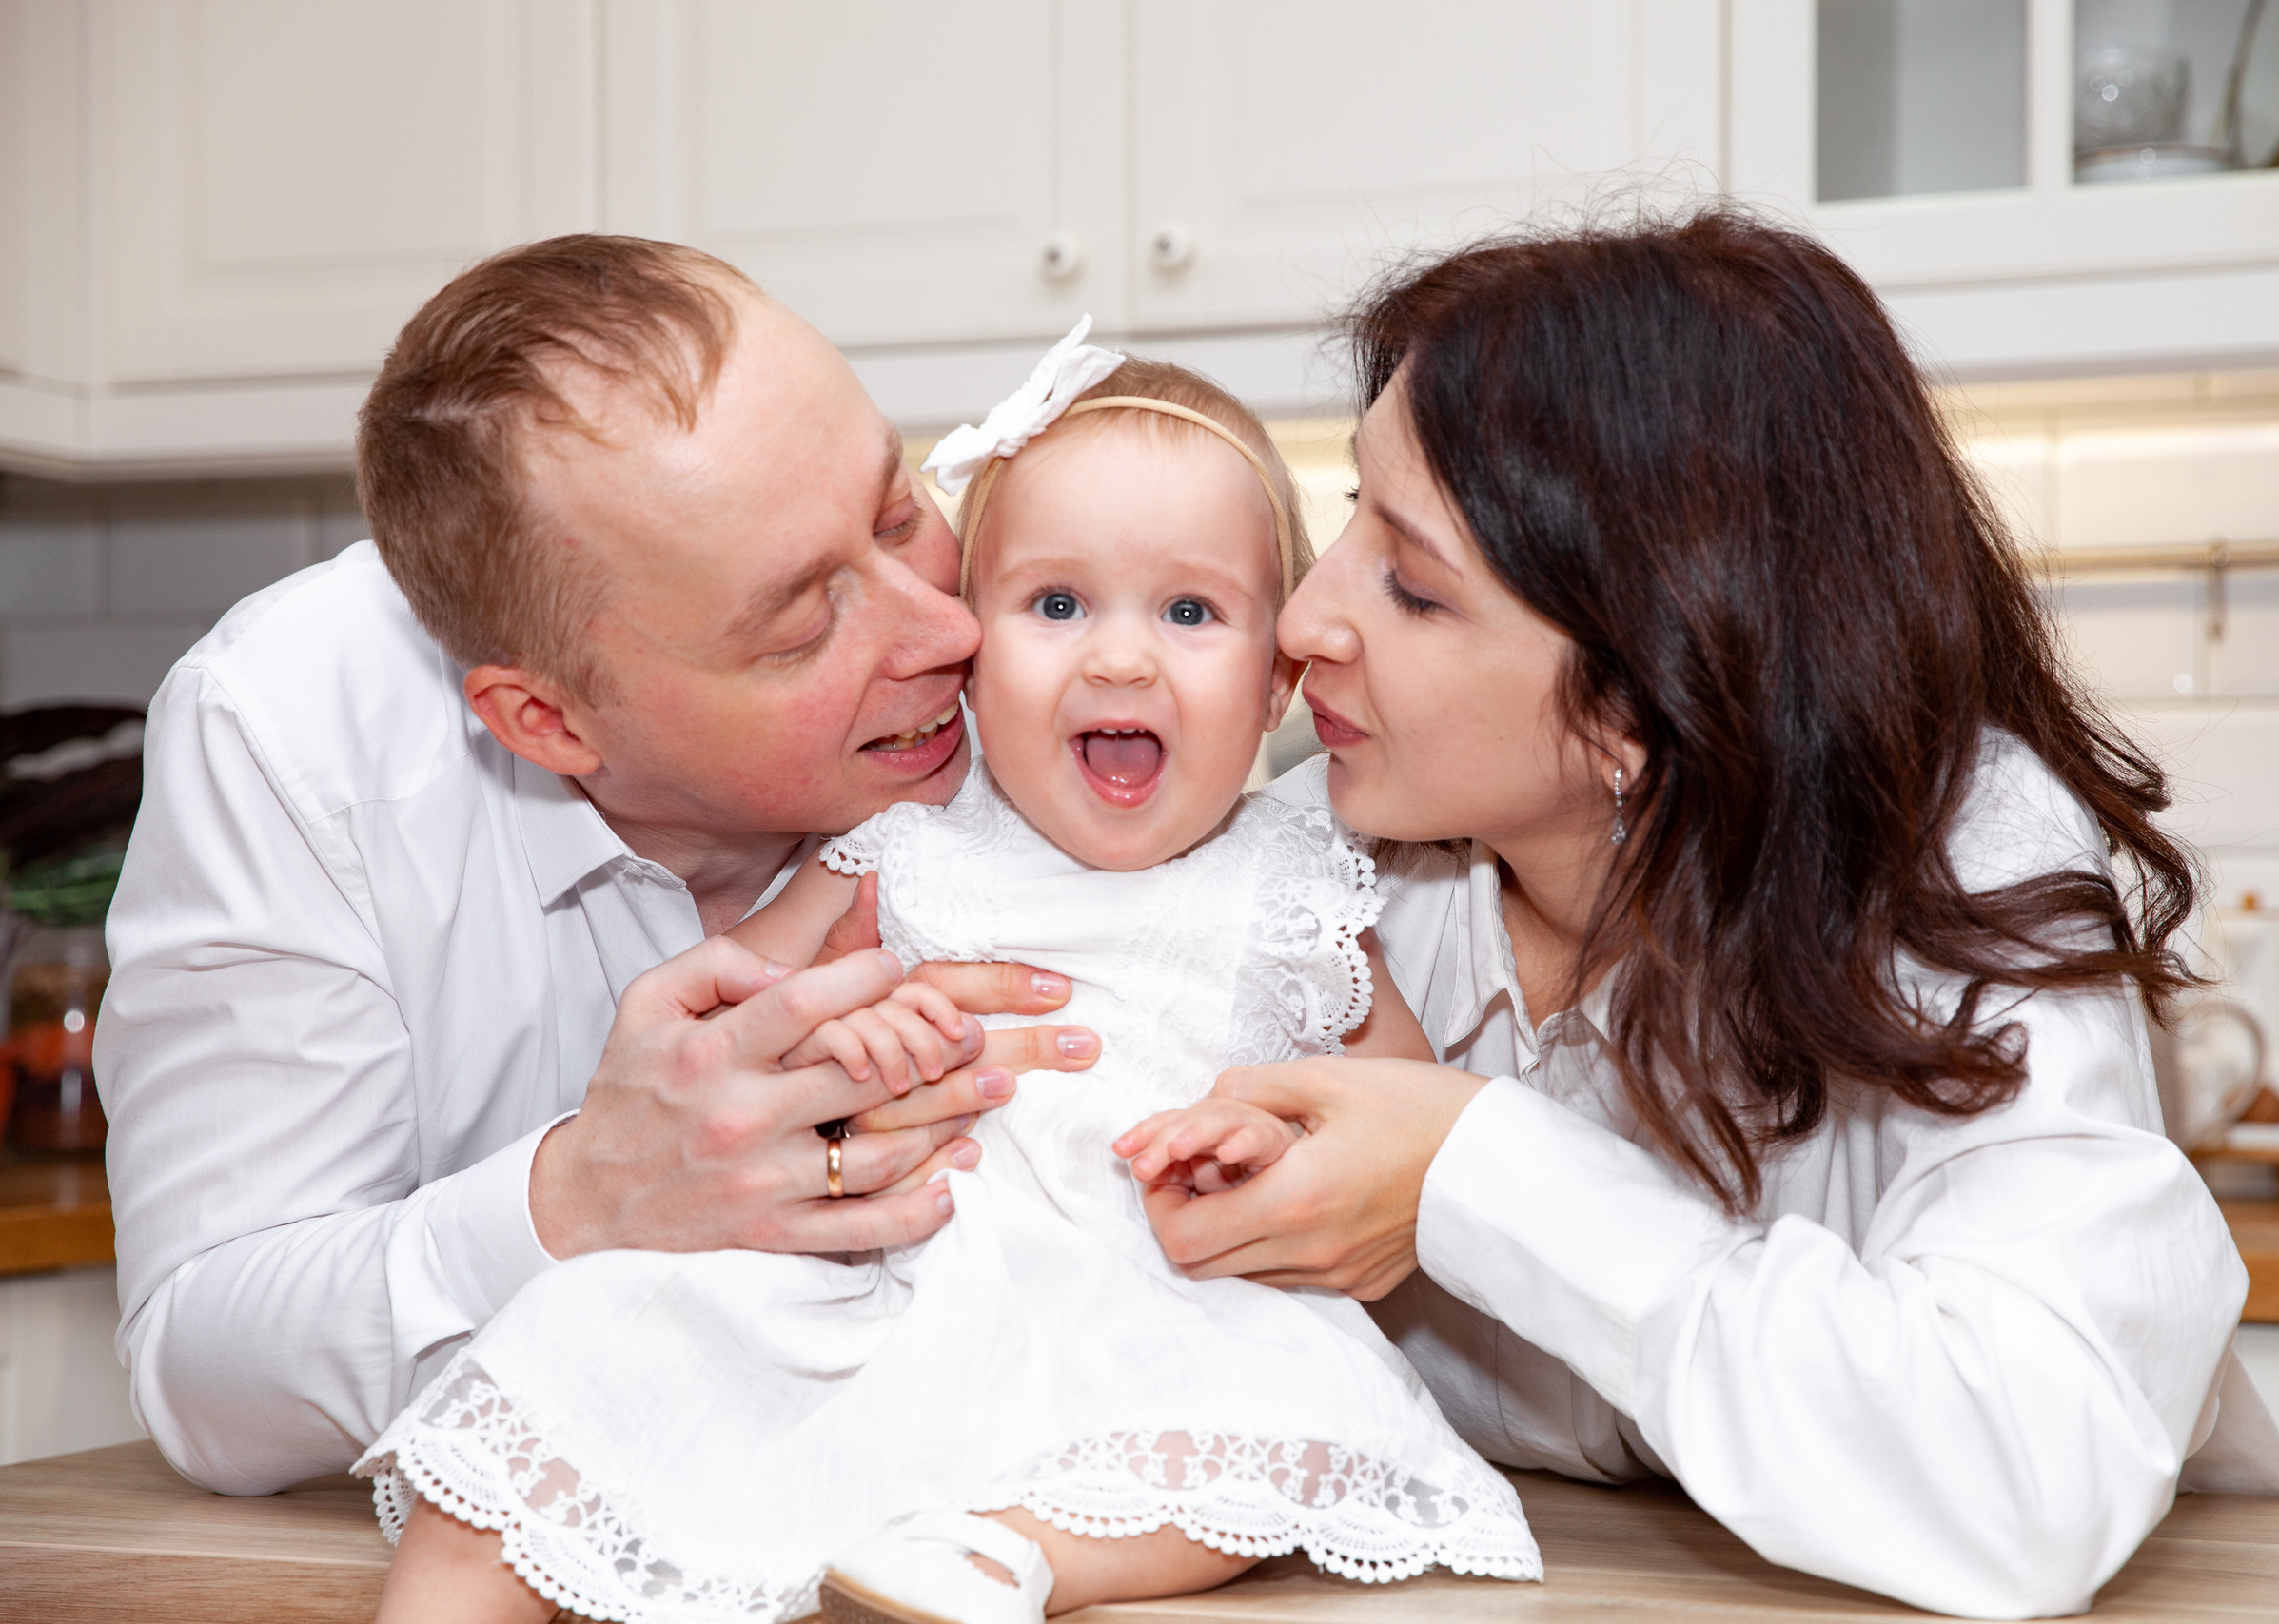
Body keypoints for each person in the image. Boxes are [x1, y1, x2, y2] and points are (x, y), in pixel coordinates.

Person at [1114, 211, 2279, 1621]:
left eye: (1413, 583)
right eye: (1348, 518)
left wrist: (1474, 1168)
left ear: (1641, 695)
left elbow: (2025, 1482)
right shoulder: (1311, 865)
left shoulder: (1956, 856)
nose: (1303, 619)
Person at [358, 339, 1542, 1624]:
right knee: (560, 1368)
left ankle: (1009, 1550)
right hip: (885, 1279)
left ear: (1276, 686)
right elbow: (720, 1040)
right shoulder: (905, 849)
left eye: (1190, 613)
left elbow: (1421, 1127)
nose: (1122, 661)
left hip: (1157, 1297)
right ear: (973, 663)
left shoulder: (1292, 878)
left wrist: (1279, 1141)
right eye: (1056, 606)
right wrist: (849, 1035)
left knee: (1301, 1409)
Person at [94, 237, 1104, 1497]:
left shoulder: (1052, 643)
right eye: (804, 622)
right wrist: (579, 1203)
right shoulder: (298, 736)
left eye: (899, 508)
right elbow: (203, 1368)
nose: (947, 627)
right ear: (549, 725)